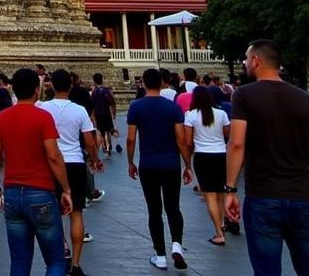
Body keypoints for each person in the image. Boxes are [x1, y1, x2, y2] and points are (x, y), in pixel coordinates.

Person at [224, 39, 309, 275]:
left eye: (246, 57)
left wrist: (230, 190)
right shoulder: (307, 99)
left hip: (263, 197)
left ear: (256, 60)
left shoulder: (244, 95)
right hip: (302, 196)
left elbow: (237, 143)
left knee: (266, 270)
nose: (244, 62)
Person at [0, 67, 72, 276]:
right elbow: (53, 156)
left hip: (13, 194)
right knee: (55, 260)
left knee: (19, 263)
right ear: (37, 90)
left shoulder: (2, 118)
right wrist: (66, 189)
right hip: (41, 192)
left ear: (13, 90)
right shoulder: (43, 117)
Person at [126, 67, 191, 271]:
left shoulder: (136, 106)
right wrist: (188, 165)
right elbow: (181, 140)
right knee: (173, 207)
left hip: (149, 164)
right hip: (171, 164)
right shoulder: (172, 108)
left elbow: (130, 138)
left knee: (154, 210)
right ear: (162, 83)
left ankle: (160, 255)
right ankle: (177, 245)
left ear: (143, 83)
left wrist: (130, 162)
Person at [39, 69, 102, 276]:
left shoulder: (43, 108)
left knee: (54, 214)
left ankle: (62, 251)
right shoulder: (79, 110)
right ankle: (76, 264)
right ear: (71, 86)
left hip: (52, 163)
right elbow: (90, 142)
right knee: (76, 213)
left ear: (52, 86)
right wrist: (95, 160)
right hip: (75, 163)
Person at [182, 85, 230, 246]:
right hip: (221, 155)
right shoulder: (221, 114)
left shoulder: (191, 115)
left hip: (202, 156)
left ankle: (218, 232)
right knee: (221, 192)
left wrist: (188, 163)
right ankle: (223, 223)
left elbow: (188, 142)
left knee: (209, 195)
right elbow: (227, 134)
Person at [90, 74, 119, 157]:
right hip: (106, 113)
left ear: (94, 81)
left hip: (98, 114)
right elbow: (112, 102)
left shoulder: (94, 92)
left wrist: (93, 116)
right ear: (102, 79)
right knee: (109, 130)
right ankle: (109, 146)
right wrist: (114, 113)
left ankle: (104, 147)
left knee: (101, 131)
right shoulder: (106, 90)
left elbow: (92, 105)